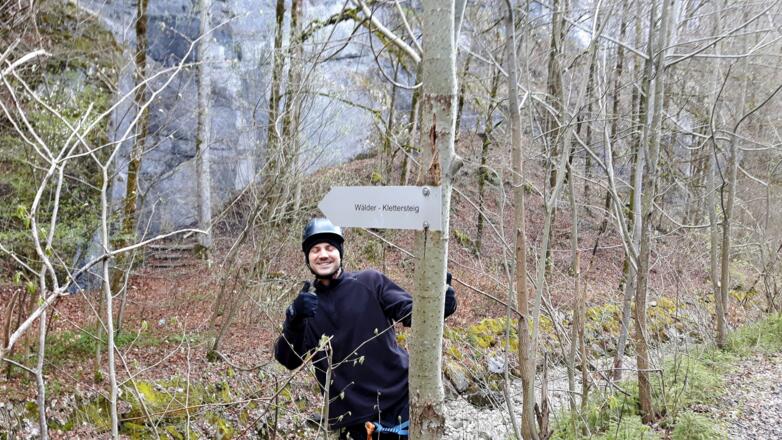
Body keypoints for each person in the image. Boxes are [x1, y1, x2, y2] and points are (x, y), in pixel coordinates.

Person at [274, 218, 457, 439]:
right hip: (353, 424)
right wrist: (293, 316)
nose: (323, 254)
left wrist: (438, 304)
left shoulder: (370, 282)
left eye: (330, 247)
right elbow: (288, 359)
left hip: (400, 405)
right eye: (315, 249)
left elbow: (412, 314)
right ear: (307, 258)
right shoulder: (306, 308)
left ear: (340, 252)